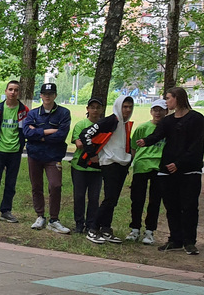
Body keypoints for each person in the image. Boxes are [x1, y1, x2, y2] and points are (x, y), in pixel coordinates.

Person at [137, 86, 204, 255]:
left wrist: (180, 164)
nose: (166, 102)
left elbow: (196, 146)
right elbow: (158, 135)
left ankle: (190, 241)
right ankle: (175, 239)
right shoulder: (168, 121)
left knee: (189, 206)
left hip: (189, 171)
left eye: (168, 98)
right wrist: (145, 141)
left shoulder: (196, 119)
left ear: (178, 98)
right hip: (167, 170)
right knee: (171, 206)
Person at [81, 95, 135, 243]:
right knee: (109, 198)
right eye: (125, 106)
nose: (127, 110)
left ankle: (106, 228)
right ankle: (93, 228)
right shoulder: (112, 120)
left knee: (113, 200)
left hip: (122, 164)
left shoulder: (125, 124)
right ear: (118, 106)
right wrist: (91, 154)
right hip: (109, 163)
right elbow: (86, 133)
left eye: (130, 107)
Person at [21, 82, 71, 233]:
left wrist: (38, 133)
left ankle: (54, 219)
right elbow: (26, 133)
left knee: (55, 185)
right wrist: (47, 132)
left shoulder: (63, 113)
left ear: (55, 95)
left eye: (51, 94)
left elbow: (61, 135)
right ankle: (40, 216)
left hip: (53, 156)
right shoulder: (33, 114)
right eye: (45, 94)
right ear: (41, 95)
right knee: (36, 186)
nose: (47, 96)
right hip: (35, 155)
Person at [0, 81, 28, 223]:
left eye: (16, 90)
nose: (13, 92)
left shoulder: (23, 110)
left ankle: (6, 211)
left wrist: (20, 145)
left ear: (19, 93)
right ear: (6, 91)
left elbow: (25, 129)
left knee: (10, 182)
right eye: (10, 89)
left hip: (15, 151)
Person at [127, 98, 166, 244]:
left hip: (159, 167)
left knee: (155, 201)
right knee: (137, 199)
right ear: (151, 111)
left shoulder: (169, 129)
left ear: (166, 111)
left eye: (161, 110)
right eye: (155, 110)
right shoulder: (143, 128)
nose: (158, 113)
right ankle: (135, 228)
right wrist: (131, 163)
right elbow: (133, 148)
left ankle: (150, 231)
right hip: (142, 166)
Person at [68, 98, 105, 240]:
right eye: (92, 107)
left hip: (97, 168)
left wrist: (90, 143)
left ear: (101, 110)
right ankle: (79, 223)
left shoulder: (104, 125)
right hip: (80, 166)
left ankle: (91, 224)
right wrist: (95, 143)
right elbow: (78, 143)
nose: (95, 110)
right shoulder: (81, 125)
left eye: (98, 107)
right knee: (79, 196)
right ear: (87, 109)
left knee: (94, 198)